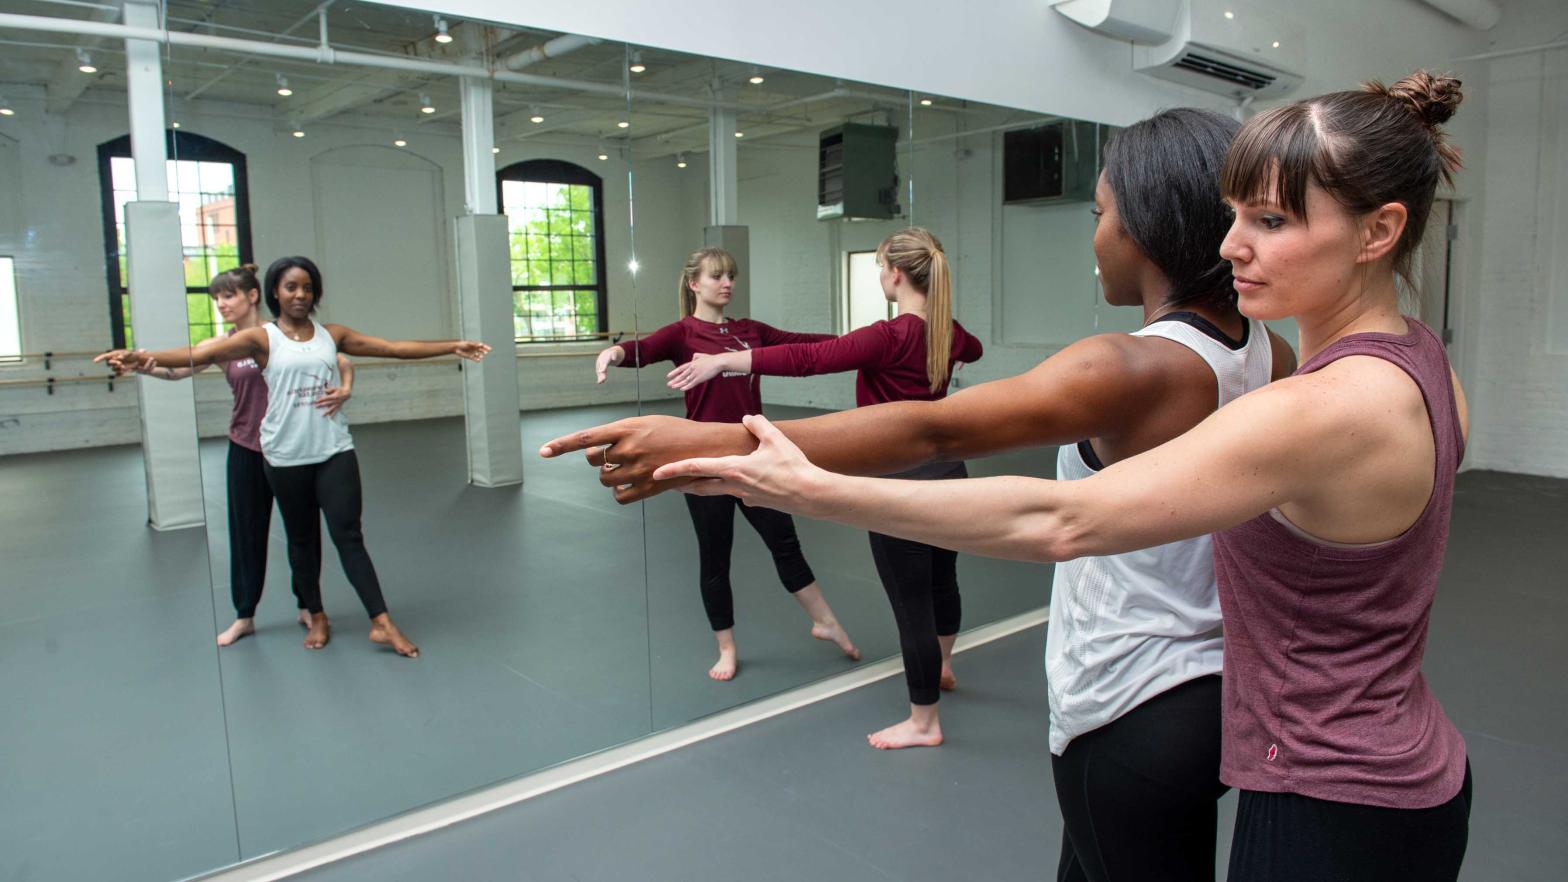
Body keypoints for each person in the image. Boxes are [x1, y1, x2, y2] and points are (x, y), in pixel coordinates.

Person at [639, 73, 1474, 881]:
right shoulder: (1413, 363)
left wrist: (795, 482)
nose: (1234, 245)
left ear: (1377, 233)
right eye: (1232, 215)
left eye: (1270, 219)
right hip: (1363, 751)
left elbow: (1061, 519)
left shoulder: (1311, 402)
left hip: (1323, 786)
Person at [547, 107, 1295, 877]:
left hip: (1133, 703)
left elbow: (931, 430)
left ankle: (922, 709)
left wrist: (706, 438)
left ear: (1144, 228)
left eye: (1100, 214)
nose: (1095, 234)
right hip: (1211, 687)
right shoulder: (1272, 351)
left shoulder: (1133, 366)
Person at [665, 227, 985, 751]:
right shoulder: (949, 331)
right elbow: (969, 349)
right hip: (950, 475)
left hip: (897, 487)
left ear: (895, 273)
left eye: (881, 266)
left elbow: (810, 360)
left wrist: (725, 360)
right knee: (943, 581)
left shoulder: (891, 335)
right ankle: (944, 666)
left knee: (912, 606)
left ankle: (924, 721)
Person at [102, 256, 491, 659]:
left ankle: (382, 621)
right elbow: (195, 354)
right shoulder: (260, 339)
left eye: (307, 287)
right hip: (284, 457)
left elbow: (392, 348)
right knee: (302, 539)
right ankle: (315, 613)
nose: (300, 294)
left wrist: (452, 346)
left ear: (315, 293)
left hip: (333, 450)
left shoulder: (331, 335)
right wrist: (137, 358)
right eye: (291, 287)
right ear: (274, 292)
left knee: (349, 536)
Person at [593, 246, 859, 681]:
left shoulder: (750, 331)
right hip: (704, 464)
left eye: (731, 275)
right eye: (717, 276)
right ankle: (727, 648)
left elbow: (802, 344)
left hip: (756, 455)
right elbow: (641, 349)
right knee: (715, 558)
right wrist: (612, 354)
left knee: (785, 543)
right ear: (694, 283)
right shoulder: (683, 333)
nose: (727, 283)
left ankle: (825, 621)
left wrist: (859, 342)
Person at [101, 264, 355, 647]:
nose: (220, 304)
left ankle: (309, 606)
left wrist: (346, 388)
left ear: (253, 296)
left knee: (302, 532)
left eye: (228, 295)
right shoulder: (224, 345)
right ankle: (245, 615)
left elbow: (341, 360)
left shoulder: (283, 335)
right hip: (247, 448)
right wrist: (147, 366)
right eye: (216, 298)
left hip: (292, 448)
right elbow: (179, 370)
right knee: (246, 533)